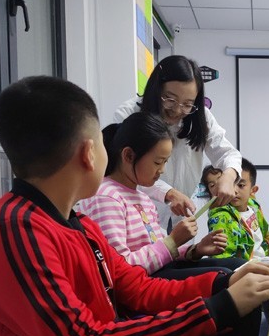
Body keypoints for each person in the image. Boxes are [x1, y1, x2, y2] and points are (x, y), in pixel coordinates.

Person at [0, 75, 269, 336]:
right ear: (89, 153)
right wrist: (216, 307)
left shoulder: (76, 223)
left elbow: (138, 288)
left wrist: (223, 285)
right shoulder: (15, 228)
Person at [79, 112, 246, 277]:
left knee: (238, 265)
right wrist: (172, 241)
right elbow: (118, 269)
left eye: (165, 162)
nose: (162, 170)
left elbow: (161, 252)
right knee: (224, 276)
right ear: (128, 156)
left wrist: (195, 250)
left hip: (158, 271)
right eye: (158, 162)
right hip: (140, 282)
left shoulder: (143, 198)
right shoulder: (107, 197)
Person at [114, 55, 242, 228]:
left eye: (187, 104)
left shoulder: (199, 117)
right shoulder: (129, 114)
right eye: (170, 99)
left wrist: (228, 176)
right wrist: (168, 193)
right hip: (138, 211)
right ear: (156, 89)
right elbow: (122, 169)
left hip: (182, 213)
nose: (177, 110)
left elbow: (228, 153)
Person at [208, 158, 269, 260]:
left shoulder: (254, 207)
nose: (234, 190)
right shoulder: (221, 217)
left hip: (264, 259)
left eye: (241, 185)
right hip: (244, 267)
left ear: (253, 190)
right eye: (230, 184)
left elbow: (265, 237)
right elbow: (222, 260)